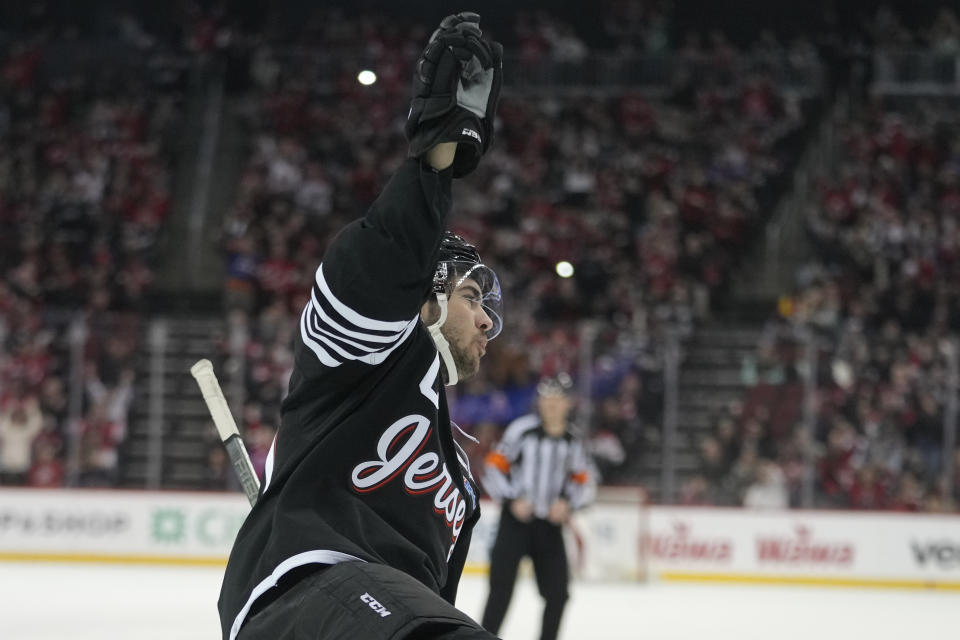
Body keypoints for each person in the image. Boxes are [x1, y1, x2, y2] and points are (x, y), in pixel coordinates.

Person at [217, 13, 504, 640]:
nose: (488, 319)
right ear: (426, 297)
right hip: (314, 589)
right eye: (472, 295)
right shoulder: (368, 357)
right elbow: (377, 264)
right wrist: (435, 159)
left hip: (372, 611)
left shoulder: (451, 458)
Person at [481, 373, 596, 640]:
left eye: (557, 400)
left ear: (568, 403)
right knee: (500, 590)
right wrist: (511, 500)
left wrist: (567, 504)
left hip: (549, 527)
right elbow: (493, 467)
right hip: (515, 524)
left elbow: (584, 481)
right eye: (547, 400)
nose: (551, 405)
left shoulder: (573, 440)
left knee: (558, 595)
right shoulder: (521, 431)